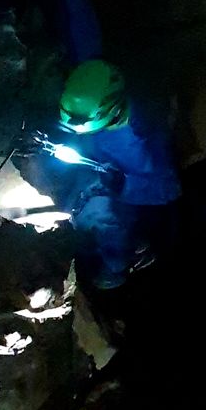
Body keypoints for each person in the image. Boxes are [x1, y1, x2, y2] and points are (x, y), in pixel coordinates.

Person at [50, 59, 181, 290]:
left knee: (111, 251)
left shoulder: (146, 137)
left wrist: (124, 185)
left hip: (126, 194)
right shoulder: (89, 85)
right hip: (99, 181)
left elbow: (169, 189)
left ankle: (113, 275)